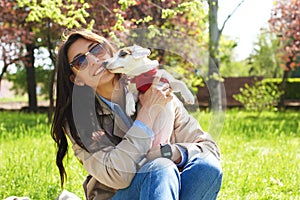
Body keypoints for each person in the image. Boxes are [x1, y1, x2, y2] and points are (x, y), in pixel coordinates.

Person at [51, 29, 222, 200]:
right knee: (160, 169)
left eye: (96, 49)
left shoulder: (155, 89)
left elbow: (209, 148)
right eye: (81, 61)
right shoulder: (80, 121)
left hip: (168, 188)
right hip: (119, 195)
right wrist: (147, 113)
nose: (94, 60)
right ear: (77, 79)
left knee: (208, 167)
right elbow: (118, 176)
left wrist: (172, 152)